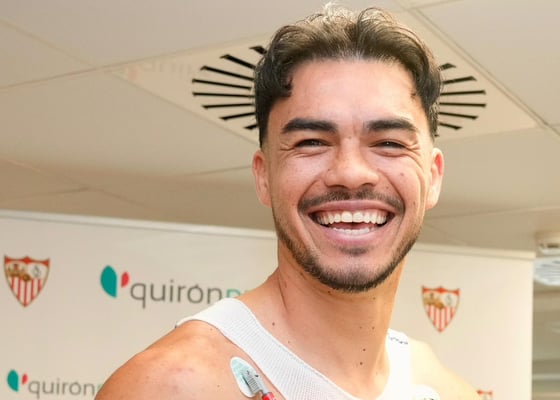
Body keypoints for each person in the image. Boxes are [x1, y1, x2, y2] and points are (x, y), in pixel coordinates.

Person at [95, 4, 480, 399]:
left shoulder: (443, 388)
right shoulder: (173, 385)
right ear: (264, 176)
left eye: (389, 143)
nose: (350, 173)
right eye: (311, 142)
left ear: (433, 176)